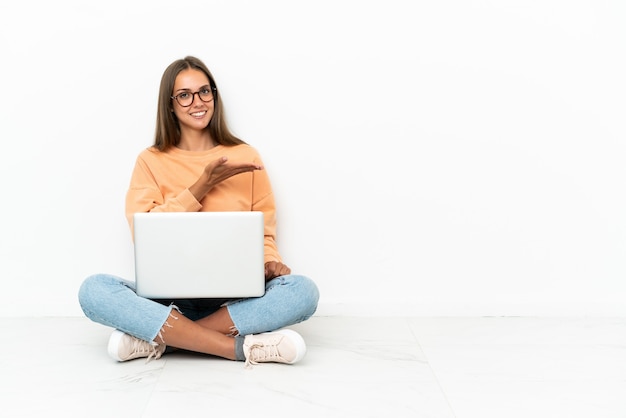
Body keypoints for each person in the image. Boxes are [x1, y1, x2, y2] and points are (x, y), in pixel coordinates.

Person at [78, 56, 319, 367]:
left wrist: (269, 263)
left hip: (234, 302)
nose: (198, 102)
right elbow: (145, 232)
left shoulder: (244, 156)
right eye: (184, 95)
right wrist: (200, 187)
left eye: (205, 92)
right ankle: (237, 348)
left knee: (303, 292)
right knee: (94, 290)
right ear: (170, 105)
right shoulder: (150, 161)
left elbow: (263, 232)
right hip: (167, 301)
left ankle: (161, 339)